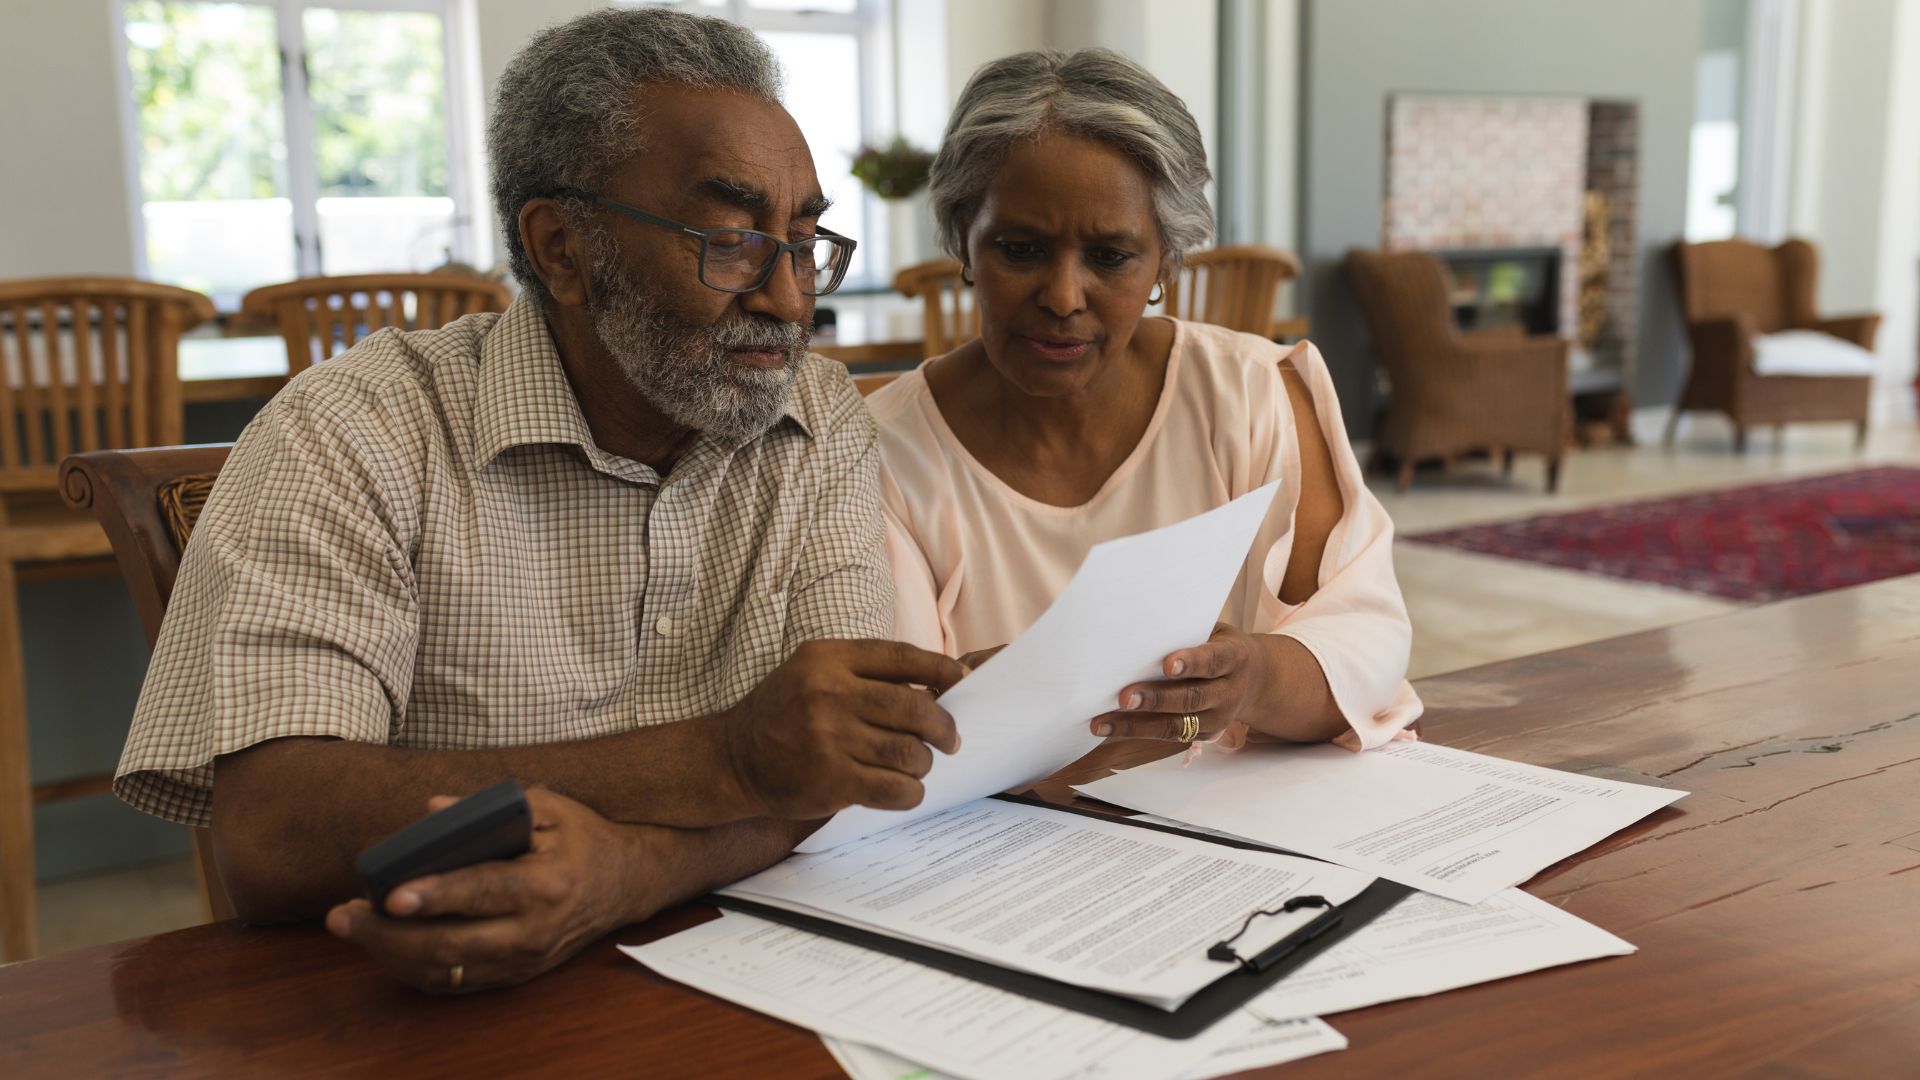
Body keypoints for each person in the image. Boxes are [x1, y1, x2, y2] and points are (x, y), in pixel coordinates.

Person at [116, 8, 968, 993]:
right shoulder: (358, 428)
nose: (788, 301)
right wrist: (726, 761)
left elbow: (839, 767)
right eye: (732, 240)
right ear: (563, 247)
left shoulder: (815, 415)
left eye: (806, 239)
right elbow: (272, 832)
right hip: (421, 1001)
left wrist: (635, 873)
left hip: (735, 972)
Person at [868, 49, 1421, 752]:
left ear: (1165, 259)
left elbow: (1361, 644)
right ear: (962, 244)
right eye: (1019, 249)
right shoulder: (883, 453)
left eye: (1110, 257)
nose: (1064, 298)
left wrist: (1250, 679)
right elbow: (899, 734)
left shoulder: (1251, 394)